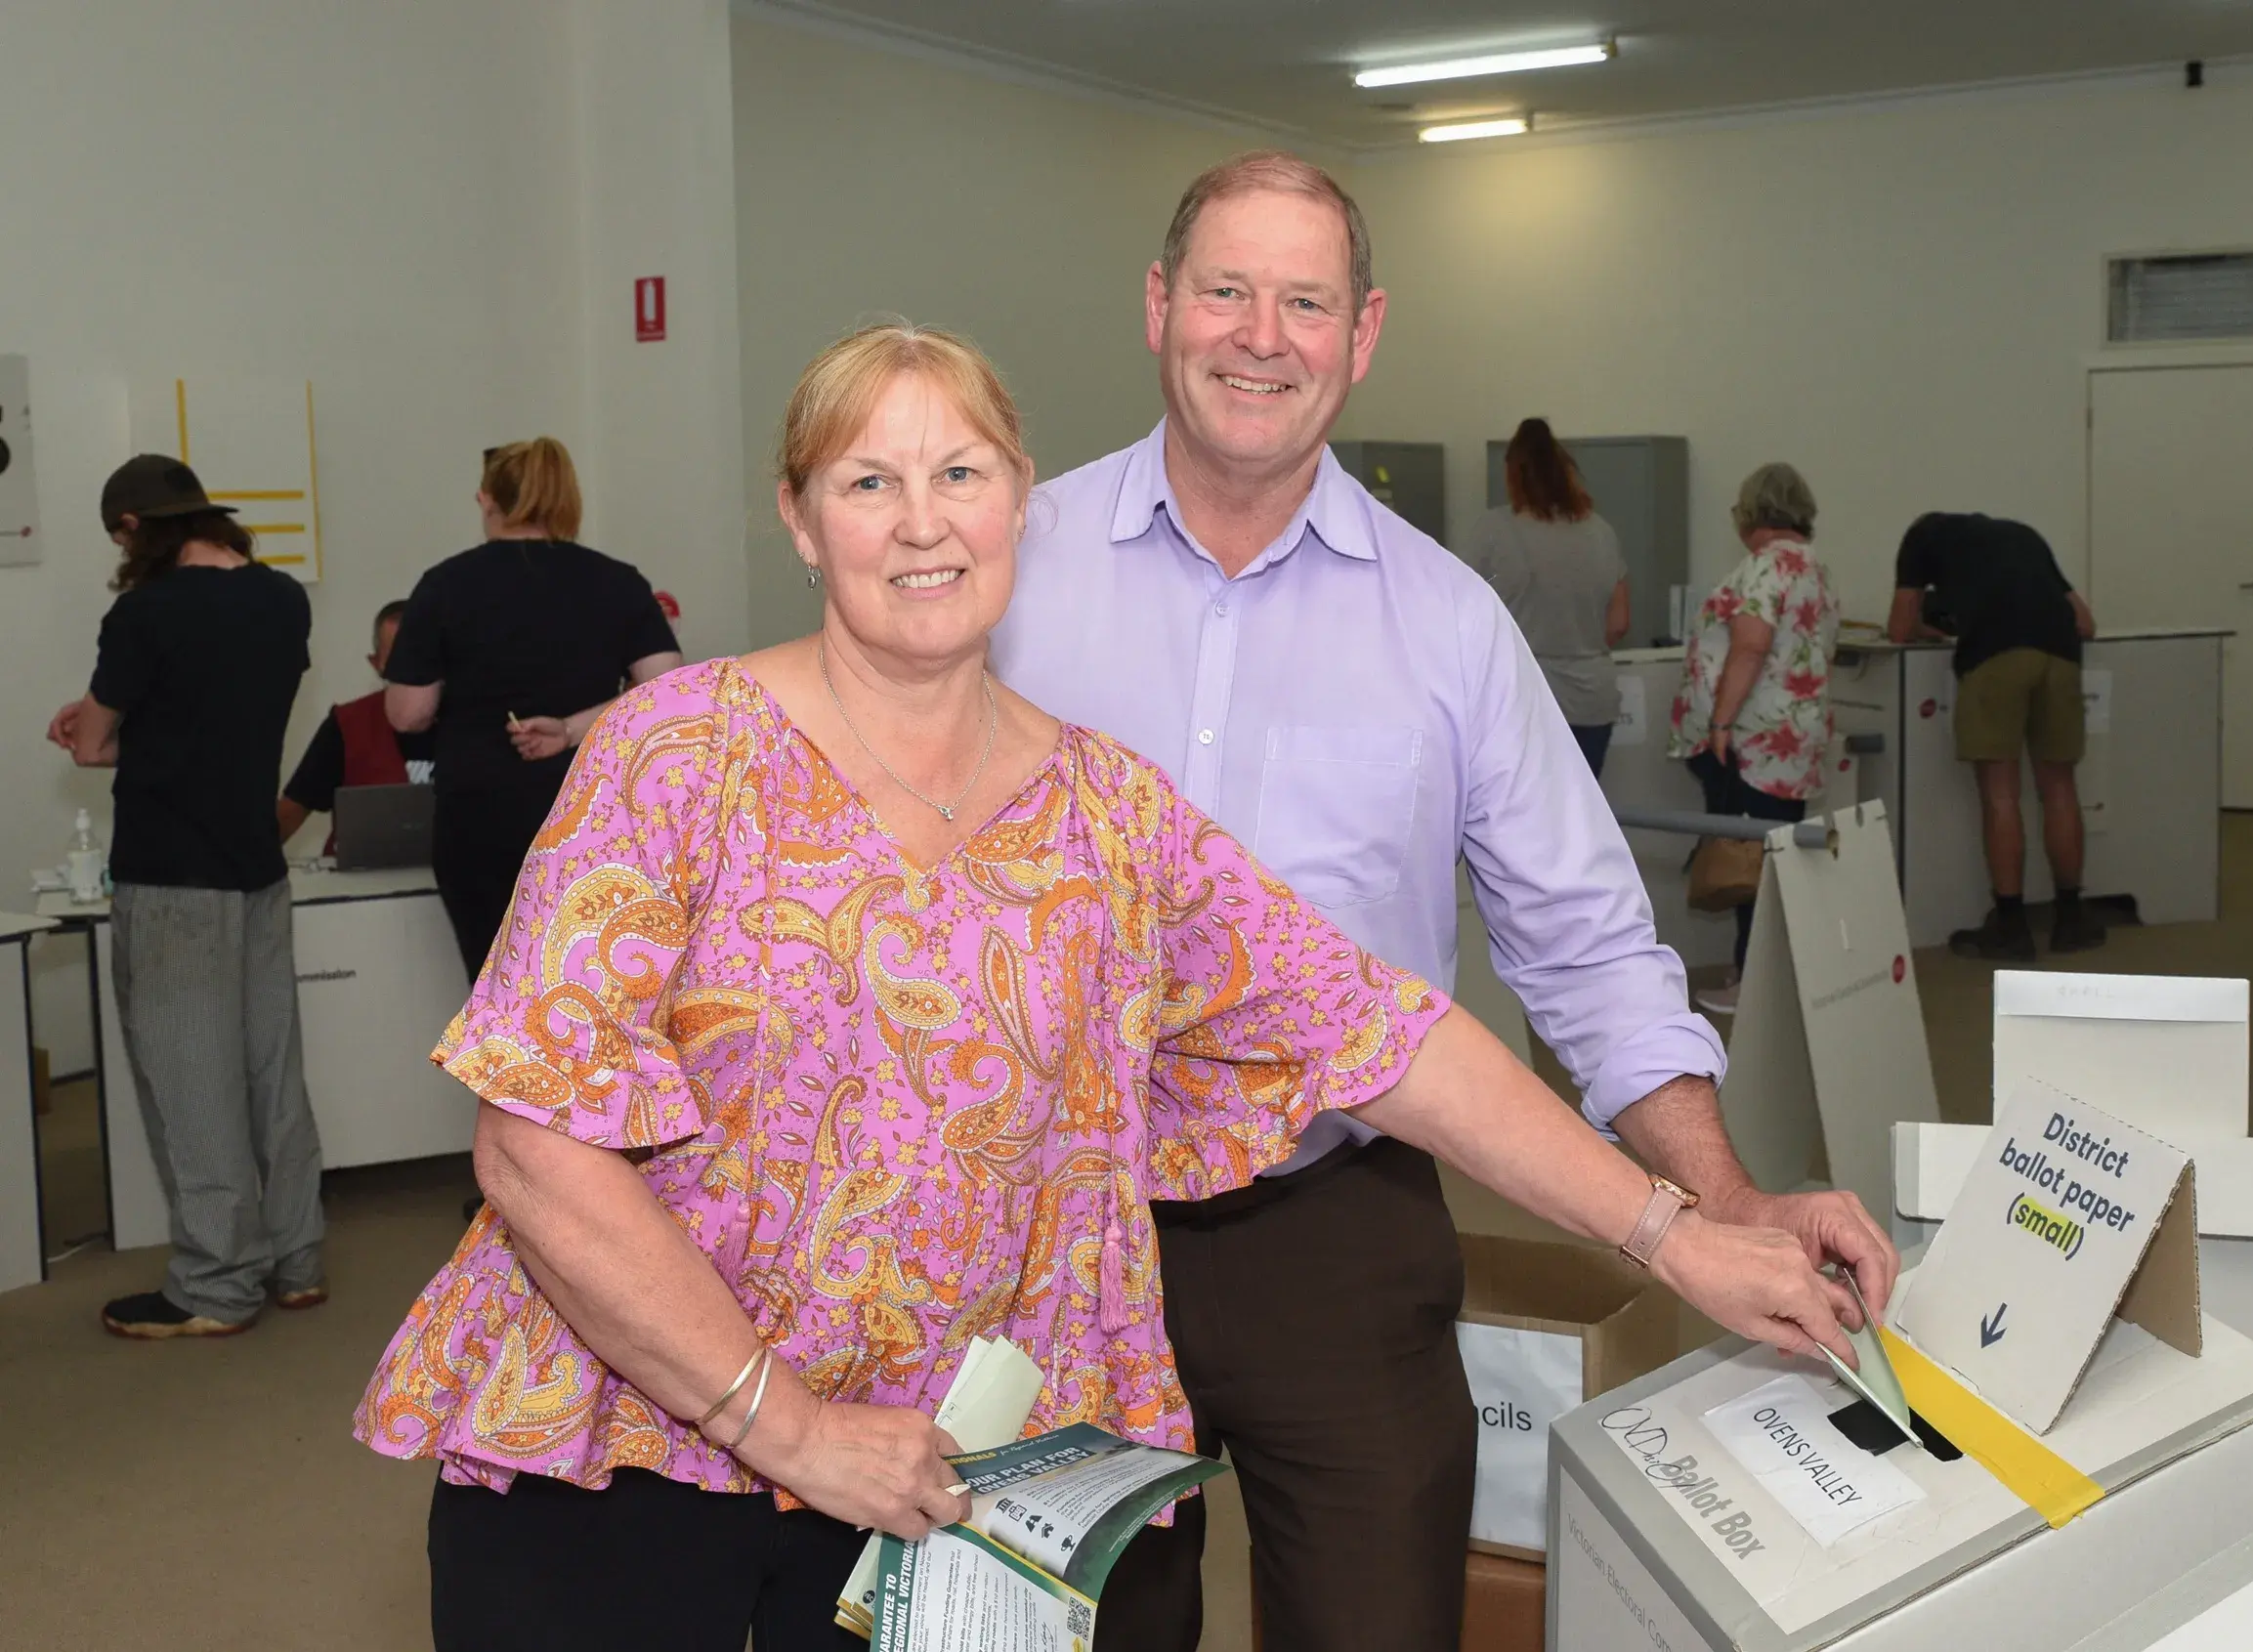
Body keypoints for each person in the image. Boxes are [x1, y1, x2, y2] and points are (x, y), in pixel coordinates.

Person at [352, 323, 1852, 1652]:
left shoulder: (1107, 819)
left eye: (960, 474)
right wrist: (784, 1421)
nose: (921, 522)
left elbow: (1386, 1035)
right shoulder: (675, 752)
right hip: (625, 1444)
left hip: (920, 1479)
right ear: (800, 520)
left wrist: (1679, 1229)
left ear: (1022, 504)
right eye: (867, 481)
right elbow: (534, 1146)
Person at [990, 151, 1897, 1651]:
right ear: (1159, 306)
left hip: (1331, 1227)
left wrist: (1725, 1200)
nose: (1259, 334)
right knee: (1052, 1632)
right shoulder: (1008, 565)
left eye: (1304, 300)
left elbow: (1591, 949)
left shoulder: (1447, 625)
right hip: (1039, 1222)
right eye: (1225, 288)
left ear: (1364, 333)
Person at [44, 455, 325, 1337]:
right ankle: (296, 1260)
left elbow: (93, 746)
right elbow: (221, 730)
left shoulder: (145, 612)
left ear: (134, 526)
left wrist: (91, 723)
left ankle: (214, 1283)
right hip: (256, 868)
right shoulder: (284, 600)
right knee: (270, 1073)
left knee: (191, 1082)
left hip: (171, 879)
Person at [382, 438, 682, 982]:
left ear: (489, 500)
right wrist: (570, 729)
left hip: (481, 818)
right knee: (592, 992)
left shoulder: (445, 585)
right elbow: (664, 692)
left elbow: (407, 712)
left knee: (502, 992)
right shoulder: (617, 581)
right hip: (594, 816)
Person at [1667, 462, 1841, 1016]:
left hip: (1759, 741)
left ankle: (1754, 982)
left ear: (1750, 513)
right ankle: (1768, 975)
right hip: (1794, 736)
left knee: (1750, 861)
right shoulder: (1813, 568)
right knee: (1778, 857)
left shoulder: (1767, 568)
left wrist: (1719, 723)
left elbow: (1749, 647)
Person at [1889, 511, 2103, 960]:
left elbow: (1898, 629)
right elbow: (2085, 622)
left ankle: (2011, 926)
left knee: (2001, 794)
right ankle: (2071, 919)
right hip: (2061, 656)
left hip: (1995, 657)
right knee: (2060, 789)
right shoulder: (2025, 534)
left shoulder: (1921, 537)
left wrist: (1935, 627)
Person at [1464, 418, 1629, 775]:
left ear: (1513, 475)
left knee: (1522, 823)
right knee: (1581, 819)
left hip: (1524, 701)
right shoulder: (1601, 531)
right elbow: (1618, 623)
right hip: (1592, 702)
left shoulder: (1495, 530)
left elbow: (1461, 616)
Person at [276, 598, 435, 851]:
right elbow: (289, 813)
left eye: (423, 656)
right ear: (377, 665)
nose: (411, 669)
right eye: (398, 658)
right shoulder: (347, 725)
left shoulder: (477, 723)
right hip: (362, 884)